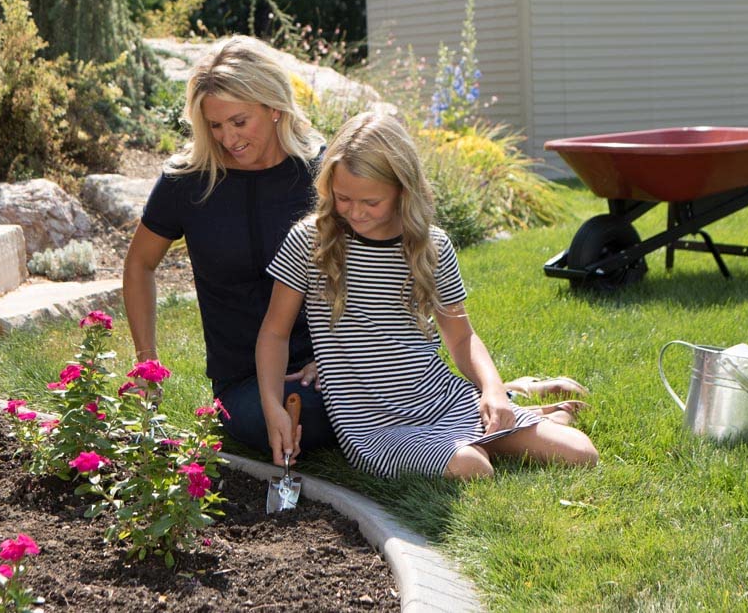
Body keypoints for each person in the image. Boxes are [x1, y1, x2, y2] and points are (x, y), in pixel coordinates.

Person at [255, 111, 599, 479]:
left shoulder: (431, 245)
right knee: (473, 468)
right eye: (343, 198)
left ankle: (509, 409)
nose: (355, 212)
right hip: (373, 426)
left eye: (370, 202)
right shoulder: (310, 240)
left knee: (582, 453)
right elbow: (274, 333)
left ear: (402, 190)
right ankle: (512, 425)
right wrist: (272, 406)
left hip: (439, 396)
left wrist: (493, 391)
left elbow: (462, 337)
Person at [122, 35, 337, 452]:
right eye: (215, 125)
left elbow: (370, 266)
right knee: (262, 421)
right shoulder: (187, 181)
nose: (227, 138)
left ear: (274, 107)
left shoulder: (321, 172)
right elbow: (139, 265)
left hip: (327, 364)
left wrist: (338, 361)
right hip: (245, 382)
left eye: (239, 122)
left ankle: (475, 412)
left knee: (366, 394)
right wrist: (146, 365)